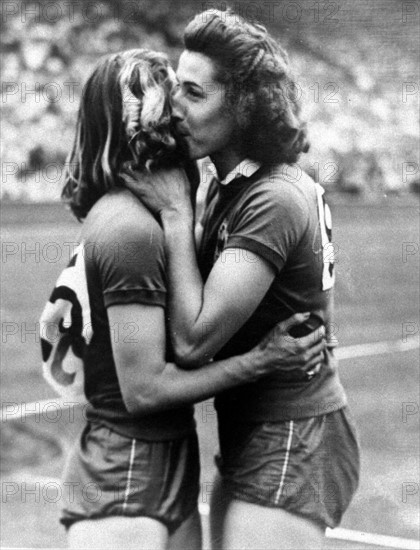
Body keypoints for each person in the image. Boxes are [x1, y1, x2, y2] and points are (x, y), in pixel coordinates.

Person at [53, 48, 325, 550]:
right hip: (127, 467)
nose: (177, 112)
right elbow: (145, 391)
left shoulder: (147, 214)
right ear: (134, 124)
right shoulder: (134, 227)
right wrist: (259, 361)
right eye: (165, 99)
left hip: (159, 456)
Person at [123, 10, 360, 550]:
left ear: (244, 104)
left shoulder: (271, 198)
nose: (174, 108)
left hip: (292, 432)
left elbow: (193, 339)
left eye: (193, 93)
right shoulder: (234, 185)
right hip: (258, 431)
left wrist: (178, 215)